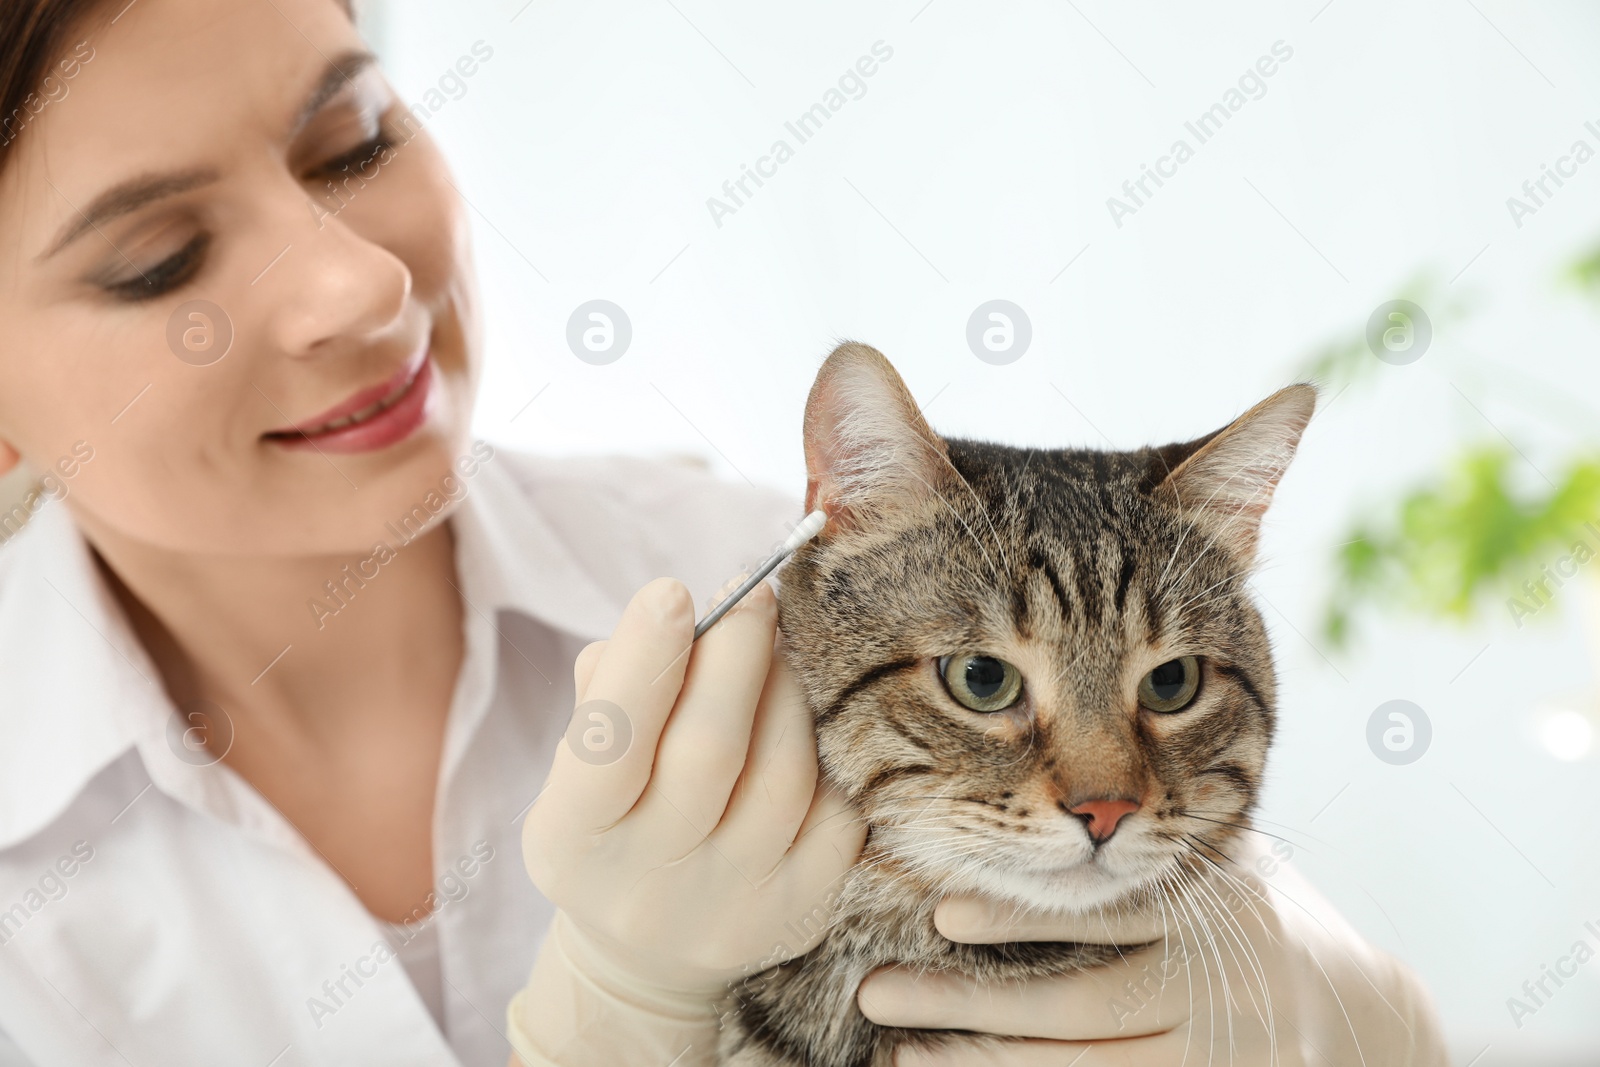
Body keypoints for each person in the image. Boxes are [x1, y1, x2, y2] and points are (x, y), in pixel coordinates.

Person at [0, 0, 1450, 1064]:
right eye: (158, 261)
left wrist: (1357, 1014)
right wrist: (621, 1018)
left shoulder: (786, 577)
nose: (359, 290)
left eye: (352, 142)